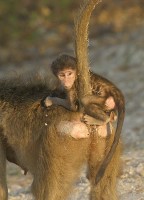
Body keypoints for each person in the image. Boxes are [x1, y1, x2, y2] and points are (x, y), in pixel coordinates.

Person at [43, 54, 116, 139]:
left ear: (76, 72)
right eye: (62, 76)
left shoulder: (78, 83)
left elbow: (73, 106)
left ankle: (103, 119)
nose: (66, 81)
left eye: (69, 74)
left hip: (98, 110)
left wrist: (54, 100)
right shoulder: (84, 77)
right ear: (56, 75)